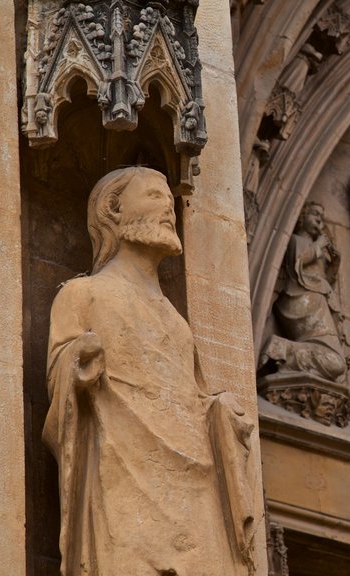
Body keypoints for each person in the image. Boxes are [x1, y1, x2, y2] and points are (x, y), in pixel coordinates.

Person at [44, 167, 258, 576]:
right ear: (114, 210)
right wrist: (78, 363)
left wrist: (218, 412)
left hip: (194, 494)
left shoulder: (177, 322)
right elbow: (61, 387)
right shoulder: (84, 294)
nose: (169, 210)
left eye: (170, 200)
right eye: (155, 197)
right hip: (124, 481)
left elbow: (189, 399)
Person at [262, 201, 348, 384]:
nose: (319, 219)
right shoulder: (296, 240)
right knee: (336, 362)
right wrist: (318, 246)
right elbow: (297, 264)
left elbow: (326, 279)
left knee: (337, 362)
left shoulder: (317, 249)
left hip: (318, 298)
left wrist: (335, 263)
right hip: (302, 298)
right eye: (314, 214)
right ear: (301, 217)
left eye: (322, 217)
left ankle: (284, 350)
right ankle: (280, 349)